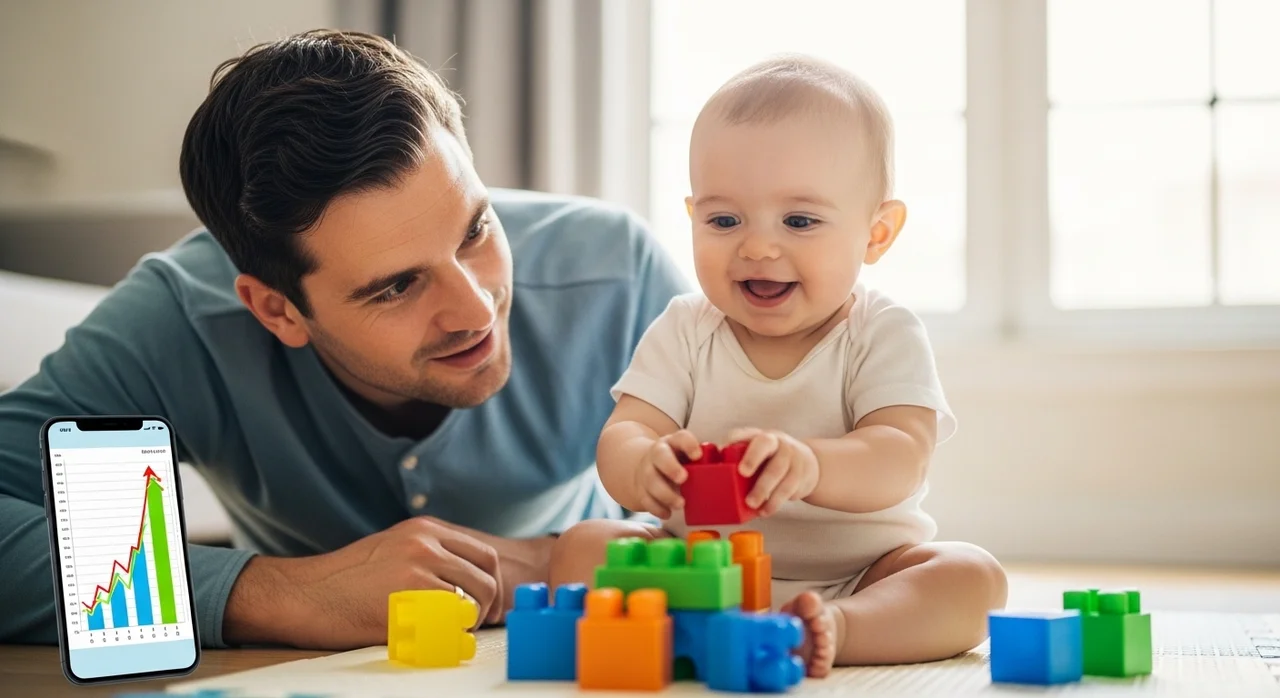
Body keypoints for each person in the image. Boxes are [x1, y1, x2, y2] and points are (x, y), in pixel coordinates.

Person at [0, 30, 688, 649]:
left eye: (476, 230)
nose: (474, 309)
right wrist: (287, 596)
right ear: (278, 312)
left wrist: (541, 565)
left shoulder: (615, 276)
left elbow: (767, 515)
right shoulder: (178, 324)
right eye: (396, 287)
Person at [548, 55, 1008, 676]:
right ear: (692, 217)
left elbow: (901, 455)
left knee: (972, 578)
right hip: (695, 572)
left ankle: (835, 630)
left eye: (799, 221)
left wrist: (811, 464)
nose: (758, 246)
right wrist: (643, 466)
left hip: (857, 575)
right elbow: (624, 435)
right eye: (724, 219)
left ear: (877, 233)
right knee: (585, 546)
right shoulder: (685, 328)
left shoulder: (881, 331)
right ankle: (693, 629)